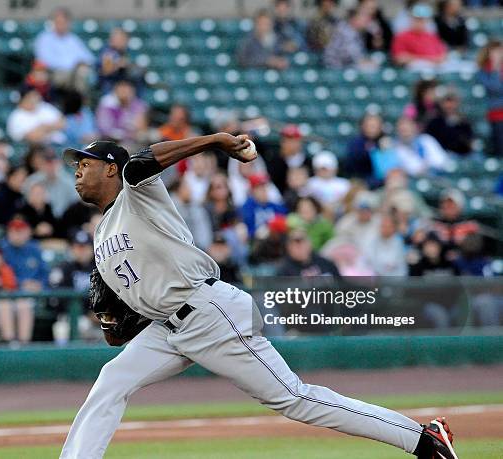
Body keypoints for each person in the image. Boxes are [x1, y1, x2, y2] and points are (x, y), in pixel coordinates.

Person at [59, 135, 458, 459]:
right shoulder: (101, 233)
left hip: (208, 313)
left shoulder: (136, 192)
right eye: (76, 165)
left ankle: (423, 440)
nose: (77, 172)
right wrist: (114, 320)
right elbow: (119, 321)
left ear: (111, 168)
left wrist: (216, 140)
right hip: (166, 326)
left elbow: (143, 161)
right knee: (112, 379)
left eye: (85, 164)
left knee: (294, 399)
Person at [33, 7, 95, 95]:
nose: (60, 25)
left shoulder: (73, 39)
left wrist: (81, 64)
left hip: (74, 73)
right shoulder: (44, 38)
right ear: (53, 22)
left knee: (84, 73)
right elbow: (44, 60)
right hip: (54, 73)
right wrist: (73, 65)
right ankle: (77, 105)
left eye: (63, 22)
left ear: (68, 23)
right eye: (58, 22)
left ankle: (80, 105)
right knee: (78, 76)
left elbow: (89, 58)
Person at [22, 145, 78, 218]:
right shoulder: (32, 180)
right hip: (38, 218)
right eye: (48, 163)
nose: (51, 167)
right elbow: (26, 203)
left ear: (59, 163)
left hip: (65, 220)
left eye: (54, 163)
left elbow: (75, 203)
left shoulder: (68, 181)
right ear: (42, 164)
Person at [391, 4, 447, 71]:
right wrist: (429, 59)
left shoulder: (432, 36)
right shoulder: (401, 36)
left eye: (422, 20)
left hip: (433, 71)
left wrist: (414, 57)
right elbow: (400, 59)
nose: (420, 22)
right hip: (411, 73)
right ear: (411, 19)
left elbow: (442, 57)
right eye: (417, 19)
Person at [95, 79, 148, 148]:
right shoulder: (107, 103)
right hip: (110, 141)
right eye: (122, 90)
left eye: (127, 90)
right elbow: (105, 129)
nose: (124, 93)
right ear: (115, 91)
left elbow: (141, 128)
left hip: (132, 141)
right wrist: (126, 133)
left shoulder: (138, 105)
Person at [424, 87, 474, 156]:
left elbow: (468, 143)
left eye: (452, 101)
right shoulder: (434, 122)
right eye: (446, 101)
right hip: (441, 156)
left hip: (462, 155)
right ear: (441, 103)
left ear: (457, 102)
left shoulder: (464, 122)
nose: (449, 105)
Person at [170, 176, 213, 251]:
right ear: (178, 190)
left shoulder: (196, 208)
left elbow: (204, 239)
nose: (191, 190)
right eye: (186, 187)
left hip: (198, 249)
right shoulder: (170, 208)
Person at [476, 40, 503, 156]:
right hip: (495, 114)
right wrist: (496, 69)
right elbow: (494, 88)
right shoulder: (483, 71)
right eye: (495, 51)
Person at [97, 28, 143, 95]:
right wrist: (118, 64)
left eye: (121, 39)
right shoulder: (108, 52)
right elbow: (105, 71)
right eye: (115, 38)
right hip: (110, 87)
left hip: (127, 86)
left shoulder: (128, 51)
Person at [241, 173, 287, 239]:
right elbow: (249, 229)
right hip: (257, 241)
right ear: (252, 191)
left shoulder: (274, 206)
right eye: (260, 188)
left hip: (276, 239)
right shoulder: (248, 207)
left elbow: (284, 218)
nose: (264, 191)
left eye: (264, 187)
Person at [345, 113, 386, 185]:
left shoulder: (385, 141)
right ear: (363, 126)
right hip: (361, 181)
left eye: (375, 126)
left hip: (382, 182)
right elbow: (353, 163)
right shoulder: (356, 143)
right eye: (370, 126)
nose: (373, 129)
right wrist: (373, 150)